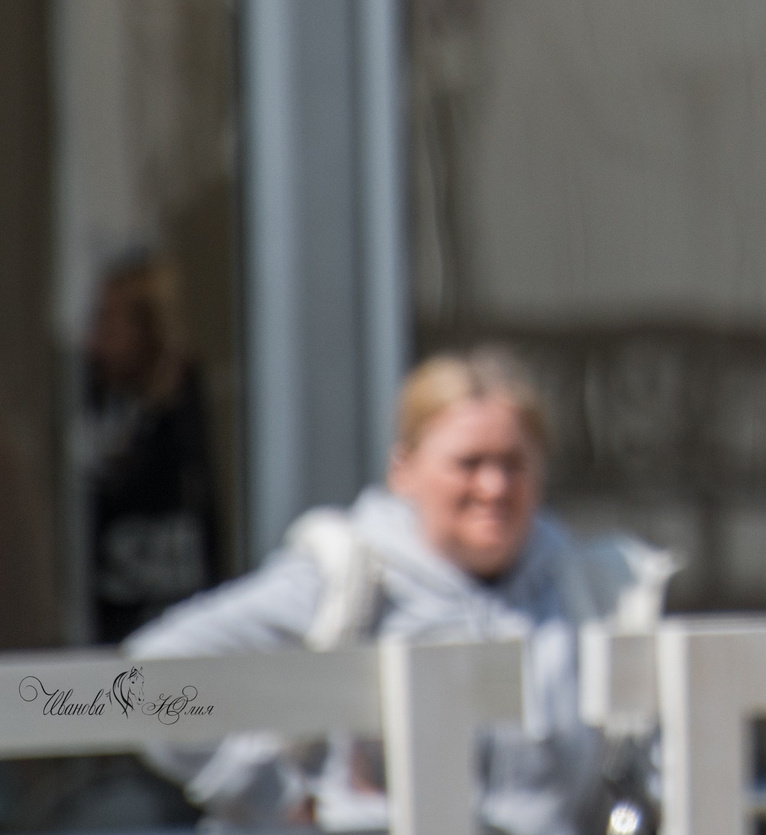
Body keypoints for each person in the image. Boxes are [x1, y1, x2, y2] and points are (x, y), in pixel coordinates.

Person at [130, 347, 676, 834]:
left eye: (514, 464)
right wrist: (275, 794)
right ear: (405, 471)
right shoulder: (347, 577)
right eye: (469, 464)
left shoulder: (596, 586)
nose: (494, 487)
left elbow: (657, 763)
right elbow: (147, 678)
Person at [80, 249, 222, 642]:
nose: (93, 340)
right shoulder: (82, 403)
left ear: (149, 327)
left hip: (171, 623)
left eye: (108, 320)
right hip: (98, 633)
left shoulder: (189, 415)